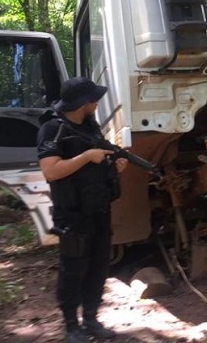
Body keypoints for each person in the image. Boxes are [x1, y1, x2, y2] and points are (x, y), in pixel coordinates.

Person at [37, 77, 128, 343]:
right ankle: (70, 326)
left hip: (98, 208)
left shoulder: (90, 127)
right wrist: (87, 156)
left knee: (99, 266)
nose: (96, 102)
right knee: (73, 268)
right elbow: (51, 171)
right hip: (72, 214)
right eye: (93, 99)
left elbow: (96, 166)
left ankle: (90, 318)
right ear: (82, 103)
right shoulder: (51, 129)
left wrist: (113, 166)